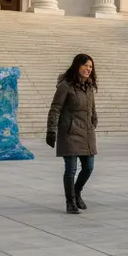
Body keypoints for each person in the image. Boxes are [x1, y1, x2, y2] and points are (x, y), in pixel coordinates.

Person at [47, 54, 98, 215]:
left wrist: (93, 121)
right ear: (77, 66)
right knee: (71, 169)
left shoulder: (89, 86)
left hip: (86, 133)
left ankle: (76, 193)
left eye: (91, 67)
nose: (88, 69)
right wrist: (51, 129)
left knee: (88, 167)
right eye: (86, 66)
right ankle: (70, 202)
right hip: (69, 132)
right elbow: (55, 108)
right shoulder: (65, 86)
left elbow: (92, 108)